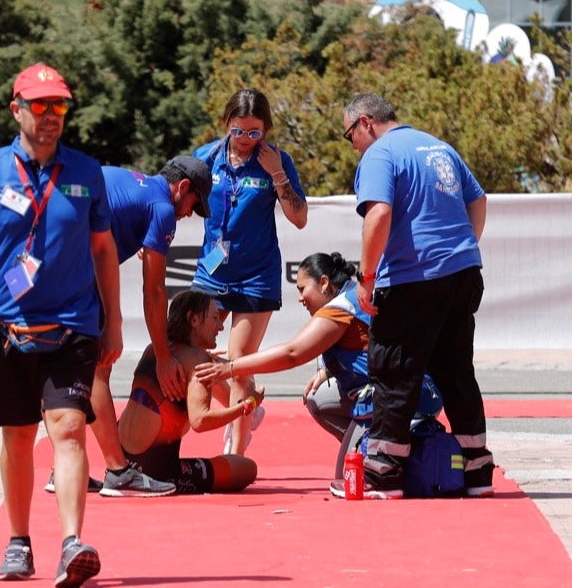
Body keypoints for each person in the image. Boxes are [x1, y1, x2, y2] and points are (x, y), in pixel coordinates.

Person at [0, 62, 120, 588]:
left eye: (59, 106)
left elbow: (104, 249)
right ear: (15, 109)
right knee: (18, 436)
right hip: (7, 329)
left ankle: (72, 544)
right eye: (39, 105)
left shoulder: (87, 172)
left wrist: (112, 323)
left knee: (67, 429)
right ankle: (19, 541)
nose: (50, 116)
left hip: (72, 327)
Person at [341, 92, 492, 500]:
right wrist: (461, 249)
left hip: (412, 279)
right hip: (461, 273)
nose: (352, 145)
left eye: (348, 135)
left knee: (393, 371)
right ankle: (477, 470)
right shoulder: (438, 146)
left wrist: (366, 277)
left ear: (365, 123)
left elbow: (379, 213)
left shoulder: (379, 155)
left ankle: (384, 473)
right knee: (456, 370)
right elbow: (477, 200)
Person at [193, 250, 444, 481]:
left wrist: (231, 368)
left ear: (324, 283)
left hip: (402, 397)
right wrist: (326, 371)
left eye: (303, 289)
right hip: (408, 391)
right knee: (318, 397)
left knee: (348, 477)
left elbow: (292, 353)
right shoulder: (351, 295)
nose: (301, 298)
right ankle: (381, 447)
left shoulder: (341, 308)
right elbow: (363, 346)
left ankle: (392, 451)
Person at [63, 156, 211, 498]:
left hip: (50, 257)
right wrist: (162, 356)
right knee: (99, 369)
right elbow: (155, 291)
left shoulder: (127, 180)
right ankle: (118, 471)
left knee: (68, 369)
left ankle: (65, 467)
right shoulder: (161, 208)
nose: (189, 214)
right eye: (193, 205)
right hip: (74, 267)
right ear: (182, 187)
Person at [192, 87, 308, 457]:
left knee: (239, 364)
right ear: (226, 124)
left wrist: (277, 175)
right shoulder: (206, 157)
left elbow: (300, 218)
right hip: (211, 271)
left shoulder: (277, 160)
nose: (245, 140)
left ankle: (236, 455)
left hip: (256, 274)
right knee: (194, 353)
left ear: (267, 130)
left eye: (254, 132)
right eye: (238, 131)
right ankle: (247, 409)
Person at [117, 289, 260, 495]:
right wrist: (247, 405)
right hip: (156, 473)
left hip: (122, 462)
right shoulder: (196, 359)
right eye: (214, 318)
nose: (220, 325)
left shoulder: (155, 350)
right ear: (194, 320)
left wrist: (215, 361)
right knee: (247, 468)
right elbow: (200, 421)